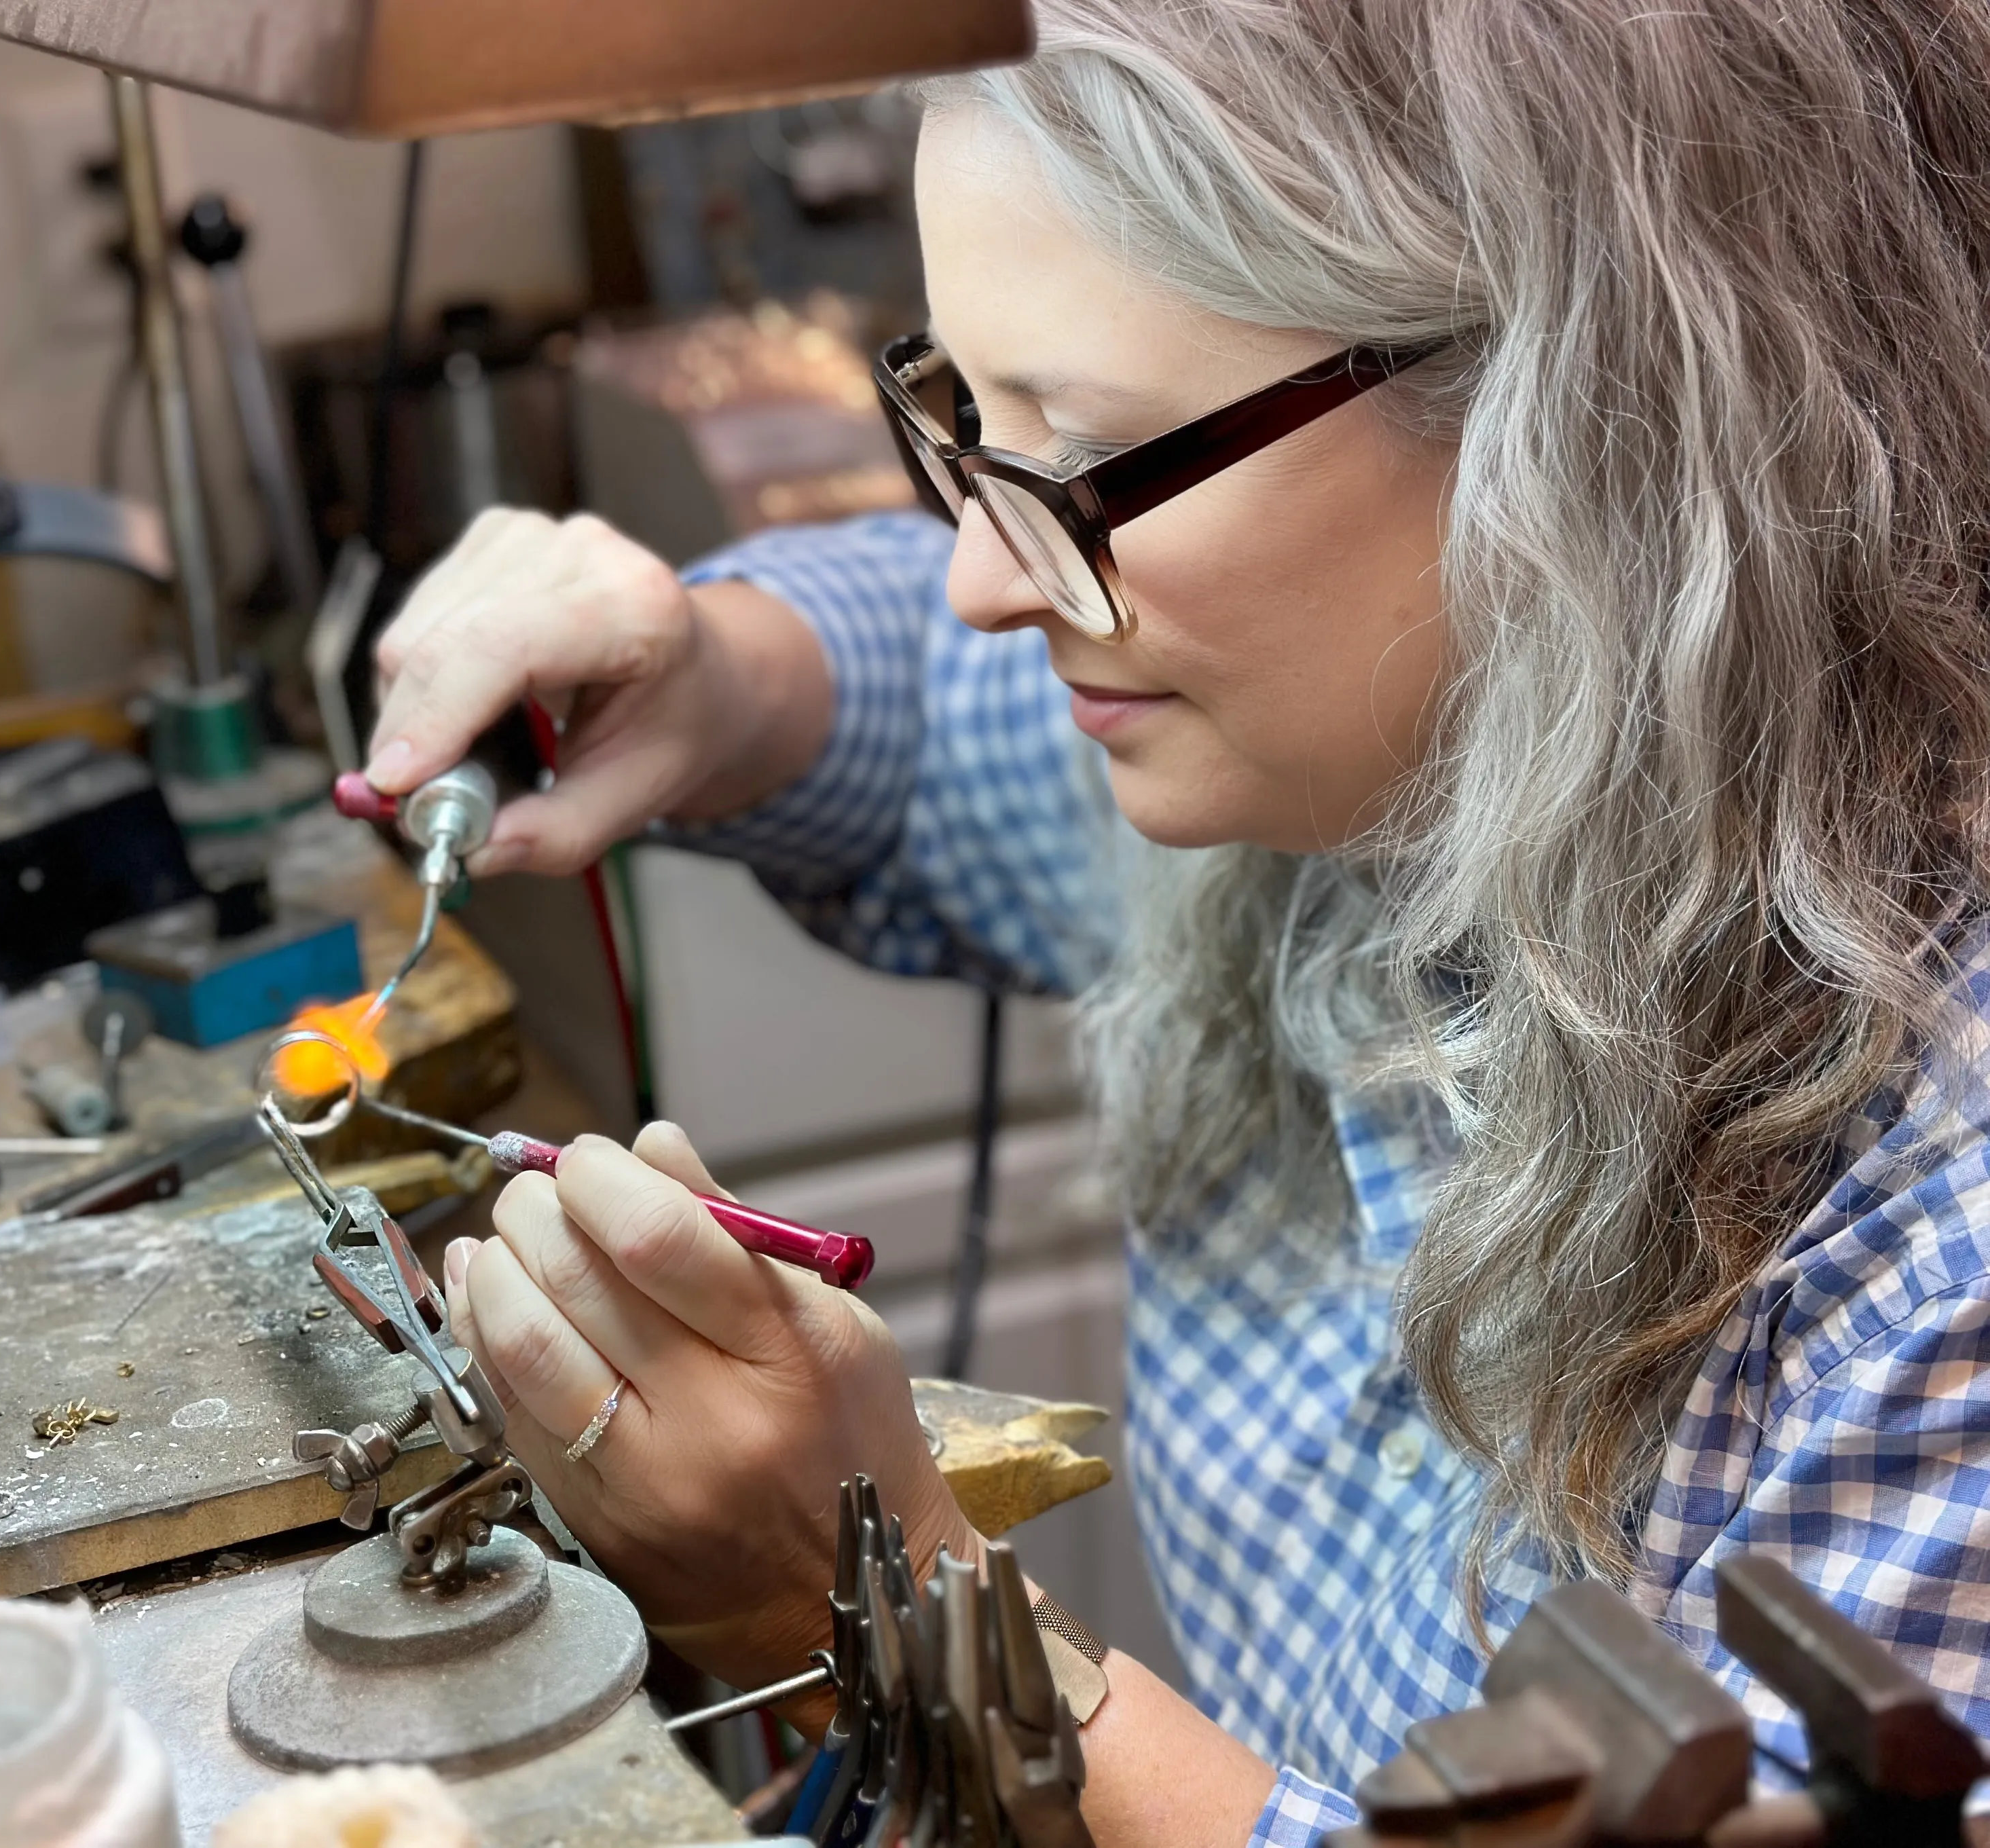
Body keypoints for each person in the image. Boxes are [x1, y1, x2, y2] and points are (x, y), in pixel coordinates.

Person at [362, 3, 1990, 1841]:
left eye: (1079, 455)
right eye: (962, 418)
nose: (987, 577)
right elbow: (909, 675)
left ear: (1590, 418)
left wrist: (877, 1588)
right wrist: (716, 674)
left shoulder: (1940, 1265)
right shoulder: (1354, 728)